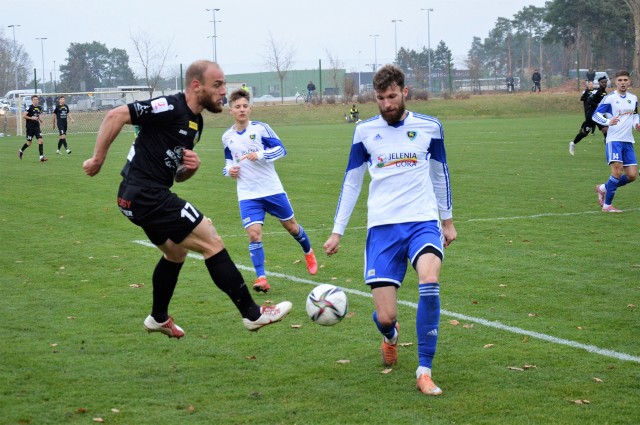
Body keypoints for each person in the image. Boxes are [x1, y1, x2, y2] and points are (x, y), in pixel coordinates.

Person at [82, 60, 292, 337]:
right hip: (145, 194)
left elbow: (176, 173)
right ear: (196, 86)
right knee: (212, 241)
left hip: (139, 197)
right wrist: (98, 159)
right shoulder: (169, 106)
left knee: (175, 252)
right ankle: (253, 314)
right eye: (217, 85)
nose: (223, 92)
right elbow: (115, 115)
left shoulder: (196, 123)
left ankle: (158, 318)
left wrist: (189, 169)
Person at [323, 64, 456, 396]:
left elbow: (441, 174)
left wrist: (447, 220)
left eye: (392, 96)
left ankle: (424, 370)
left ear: (404, 92)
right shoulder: (365, 132)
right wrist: (337, 231)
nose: (386, 104)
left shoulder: (430, 127)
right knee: (385, 315)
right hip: (382, 228)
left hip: (422, 221)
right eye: (380, 98)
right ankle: (389, 334)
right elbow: (351, 183)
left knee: (429, 279)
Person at [221, 89, 319, 292]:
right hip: (248, 194)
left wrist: (261, 154)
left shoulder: (261, 129)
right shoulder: (227, 137)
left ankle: (308, 252)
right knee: (254, 234)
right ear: (230, 110)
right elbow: (228, 161)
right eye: (237, 107)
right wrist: (229, 170)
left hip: (271, 189)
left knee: (291, 227)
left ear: (250, 108)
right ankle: (261, 278)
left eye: (245, 106)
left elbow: (281, 149)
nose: (241, 110)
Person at [593, 70, 640, 213]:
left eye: (625, 80)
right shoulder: (610, 98)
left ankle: (603, 188)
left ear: (629, 82)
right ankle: (607, 205)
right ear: (615, 82)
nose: (623, 83)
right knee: (617, 171)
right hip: (614, 140)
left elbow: (635, 115)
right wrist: (608, 121)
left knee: (632, 175)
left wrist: (637, 124)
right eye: (620, 80)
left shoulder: (633, 98)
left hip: (628, 141)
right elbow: (596, 115)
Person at [569, 76, 608, 155]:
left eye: (605, 82)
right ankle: (573, 143)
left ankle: (609, 148)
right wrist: (597, 105)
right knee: (584, 133)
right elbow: (589, 101)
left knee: (606, 130)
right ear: (599, 83)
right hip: (592, 115)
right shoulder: (596, 91)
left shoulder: (605, 93)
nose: (604, 84)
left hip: (599, 116)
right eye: (602, 82)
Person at [19, 95, 48, 162]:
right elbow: (24, 116)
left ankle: (41, 157)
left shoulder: (39, 107)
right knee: (29, 143)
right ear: (32, 100)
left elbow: (38, 114)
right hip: (30, 128)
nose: (36, 100)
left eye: (37, 99)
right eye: (34, 99)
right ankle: (21, 150)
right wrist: (32, 118)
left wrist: (40, 119)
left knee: (40, 140)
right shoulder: (29, 107)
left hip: (37, 127)